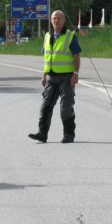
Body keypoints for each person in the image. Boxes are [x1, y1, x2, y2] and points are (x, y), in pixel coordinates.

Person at [29, 10, 81, 144]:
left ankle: (68, 135)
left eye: (59, 18)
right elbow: (47, 57)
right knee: (45, 106)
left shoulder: (70, 36)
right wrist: (44, 75)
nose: (56, 21)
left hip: (66, 78)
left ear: (63, 21)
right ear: (51, 20)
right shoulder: (47, 36)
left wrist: (75, 74)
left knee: (65, 108)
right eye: (54, 18)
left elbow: (76, 56)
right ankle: (42, 134)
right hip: (51, 78)